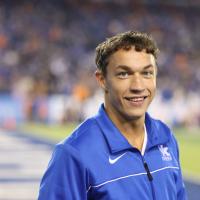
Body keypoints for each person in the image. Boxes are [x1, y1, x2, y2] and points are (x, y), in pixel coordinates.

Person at [38, 31, 187, 200]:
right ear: (102, 80)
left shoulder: (166, 138)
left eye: (147, 73)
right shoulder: (74, 153)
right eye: (124, 74)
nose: (138, 86)